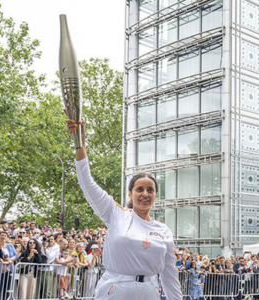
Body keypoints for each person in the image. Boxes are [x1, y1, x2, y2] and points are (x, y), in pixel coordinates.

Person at [66, 119, 183, 300]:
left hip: (150, 292)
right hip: (116, 290)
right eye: (139, 189)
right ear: (130, 193)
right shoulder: (116, 214)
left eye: (150, 190)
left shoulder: (163, 230)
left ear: (155, 196)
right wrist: (79, 145)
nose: (145, 194)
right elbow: (87, 183)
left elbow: (169, 273)